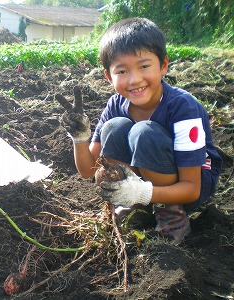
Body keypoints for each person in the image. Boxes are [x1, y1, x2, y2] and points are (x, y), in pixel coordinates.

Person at [56, 17, 222, 245]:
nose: (134, 80)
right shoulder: (115, 105)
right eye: (122, 71)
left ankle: (170, 212)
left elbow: (192, 189)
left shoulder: (184, 107)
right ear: (108, 76)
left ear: (163, 65)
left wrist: (143, 192)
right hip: (142, 184)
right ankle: (133, 205)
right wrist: (80, 138)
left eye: (144, 66)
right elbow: (88, 171)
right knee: (114, 127)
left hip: (190, 185)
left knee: (143, 133)